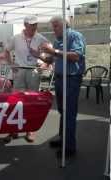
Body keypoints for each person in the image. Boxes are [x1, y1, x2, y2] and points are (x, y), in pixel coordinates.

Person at [40, 16, 86, 158]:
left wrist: (53, 51)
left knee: (69, 113)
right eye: (52, 27)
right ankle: (63, 140)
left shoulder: (75, 36)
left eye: (55, 26)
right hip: (60, 79)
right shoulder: (58, 40)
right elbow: (52, 59)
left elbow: (76, 56)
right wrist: (38, 55)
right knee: (62, 111)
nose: (53, 30)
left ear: (64, 26)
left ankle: (70, 147)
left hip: (71, 79)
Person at [1, 15, 49, 143]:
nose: (34, 27)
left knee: (32, 101)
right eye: (31, 24)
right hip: (20, 70)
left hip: (33, 71)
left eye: (35, 24)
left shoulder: (41, 38)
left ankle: (30, 130)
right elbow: (6, 51)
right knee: (16, 100)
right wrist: (12, 64)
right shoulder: (16, 38)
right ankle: (13, 129)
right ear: (25, 25)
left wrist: (44, 65)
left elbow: (50, 55)